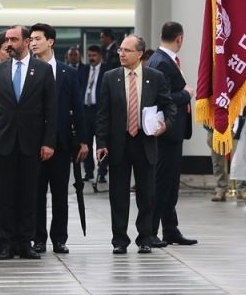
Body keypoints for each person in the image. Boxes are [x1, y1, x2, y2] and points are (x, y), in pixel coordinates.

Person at [0, 26, 57, 260]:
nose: (9, 44)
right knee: (4, 196)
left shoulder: (43, 71)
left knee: (28, 195)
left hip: (31, 144)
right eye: (7, 40)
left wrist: (48, 142)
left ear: (26, 42)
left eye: (14, 39)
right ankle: (4, 243)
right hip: (3, 143)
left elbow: (51, 110)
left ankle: (25, 242)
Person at [95, 34, 174, 254]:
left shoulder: (154, 77)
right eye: (120, 50)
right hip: (119, 143)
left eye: (127, 50)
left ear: (139, 54)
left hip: (145, 142)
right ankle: (120, 240)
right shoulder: (110, 77)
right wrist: (101, 142)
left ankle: (145, 237)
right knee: (118, 194)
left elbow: (169, 106)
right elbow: (103, 114)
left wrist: (165, 125)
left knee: (147, 194)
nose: (121, 54)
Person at [29, 23, 88, 255]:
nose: (33, 42)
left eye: (37, 38)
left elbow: (78, 107)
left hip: (62, 143)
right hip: (33, 142)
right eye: (31, 39)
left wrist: (83, 140)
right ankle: (38, 238)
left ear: (50, 41)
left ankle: (59, 238)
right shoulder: (28, 70)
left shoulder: (68, 73)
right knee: (36, 193)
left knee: (60, 193)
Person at [146, 22, 197, 247]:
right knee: (162, 183)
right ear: (180, 38)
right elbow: (162, 97)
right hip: (165, 132)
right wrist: (186, 95)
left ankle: (170, 228)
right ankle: (151, 230)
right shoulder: (161, 62)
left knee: (170, 184)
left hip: (173, 132)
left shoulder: (167, 61)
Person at [78, 44, 105, 182]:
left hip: (99, 110)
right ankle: (88, 172)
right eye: (89, 56)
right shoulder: (83, 70)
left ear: (100, 56)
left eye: (94, 56)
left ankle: (102, 172)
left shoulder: (106, 71)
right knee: (85, 141)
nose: (91, 58)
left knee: (102, 142)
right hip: (85, 110)